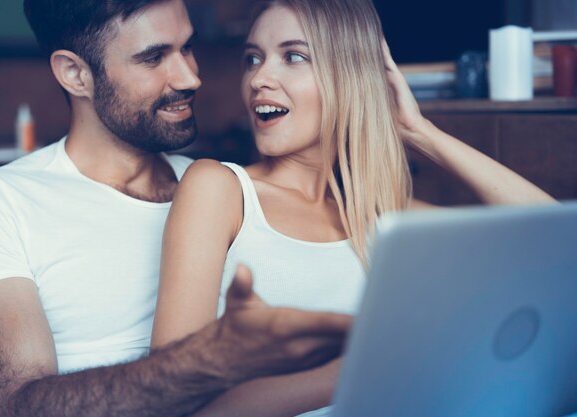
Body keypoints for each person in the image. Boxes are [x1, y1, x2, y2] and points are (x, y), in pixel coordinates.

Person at [151, 0, 555, 416]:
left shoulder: (380, 216)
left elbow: (552, 236)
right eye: (253, 58)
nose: (259, 78)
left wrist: (421, 131)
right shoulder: (219, 189)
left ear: (348, 77)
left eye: (293, 56)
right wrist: (367, 365)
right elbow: (170, 396)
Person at [0, 1, 354, 417]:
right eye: (155, 57)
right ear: (75, 74)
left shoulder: (225, 187)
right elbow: (15, 407)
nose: (191, 77)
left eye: (188, 48)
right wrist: (208, 359)